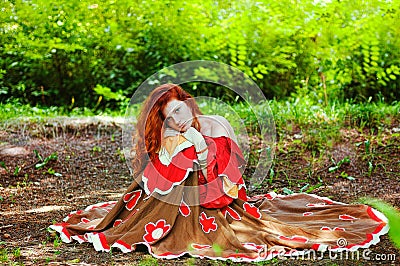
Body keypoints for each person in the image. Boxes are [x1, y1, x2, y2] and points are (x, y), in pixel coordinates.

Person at [50, 84, 388, 262]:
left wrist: (202, 148)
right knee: (174, 166)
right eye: (170, 118)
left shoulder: (214, 125)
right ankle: (169, 225)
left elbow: (230, 176)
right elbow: (157, 176)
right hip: (174, 203)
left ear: (189, 103)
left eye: (180, 111)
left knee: (200, 156)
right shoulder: (170, 136)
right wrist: (184, 148)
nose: (179, 120)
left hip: (218, 200)